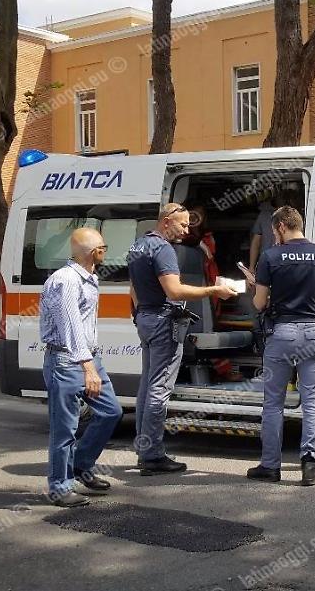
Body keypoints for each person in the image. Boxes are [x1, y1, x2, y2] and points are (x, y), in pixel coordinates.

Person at [127, 203, 237, 475]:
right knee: (159, 389)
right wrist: (215, 290)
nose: (187, 230)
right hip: (163, 321)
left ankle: (144, 449)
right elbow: (174, 291)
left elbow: (132, 289)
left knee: (147, 386)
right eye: (183, 225)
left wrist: (140, 315)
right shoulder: (163, 249)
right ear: (166, 222)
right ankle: (152, 455)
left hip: (146, 318)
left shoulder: (138, 246)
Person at [246, 206, 315, 486]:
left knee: (274, 403)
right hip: (313, 333)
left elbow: (259, 304)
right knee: (312, 401)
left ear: (279, 227)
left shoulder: (270, 257)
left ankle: (270, 466)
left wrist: (256, 286)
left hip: (282, 334)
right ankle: (310, 466)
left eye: (273, 230)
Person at [39, 228, 123, 507]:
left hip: (88, 358)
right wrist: (88, 368)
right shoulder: (66, 281)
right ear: (93, 252)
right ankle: (59, 489)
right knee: (64, 430)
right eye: (103, 246)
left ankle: (81, 464)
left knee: (111, 411)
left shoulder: (88, 278)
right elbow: (70, 327)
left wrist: (91, 363)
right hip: (67, 362)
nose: (106, 250)